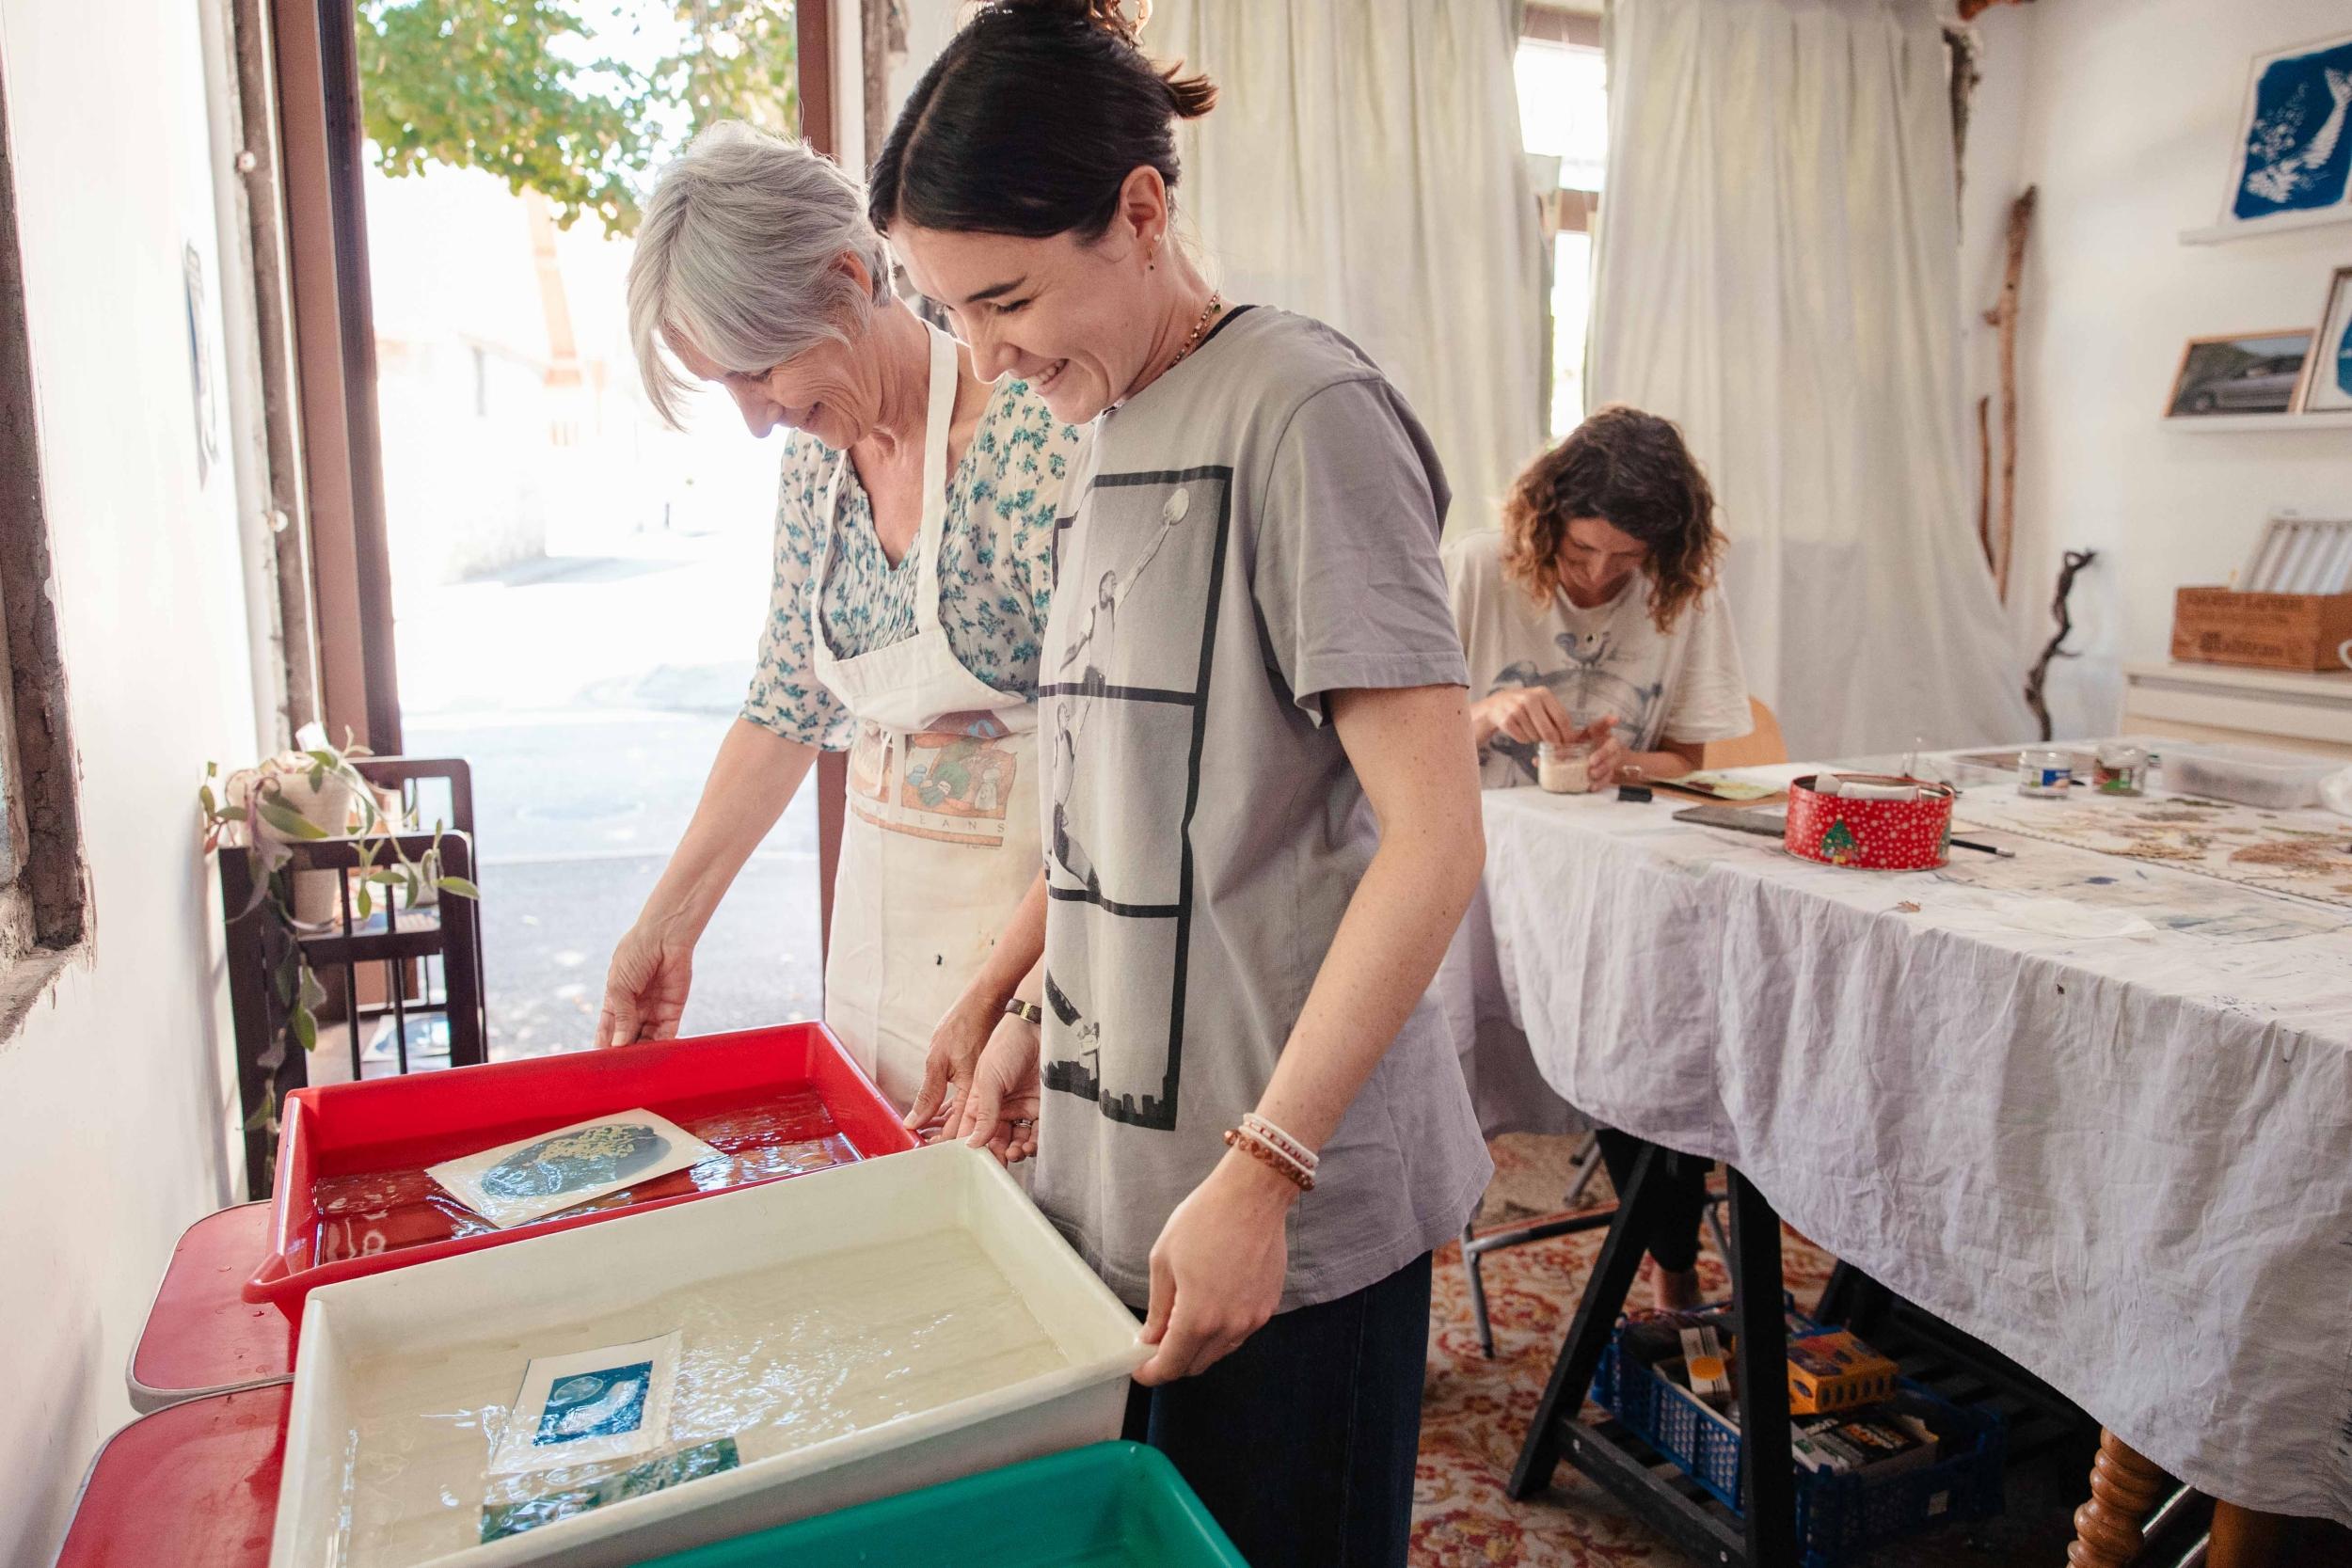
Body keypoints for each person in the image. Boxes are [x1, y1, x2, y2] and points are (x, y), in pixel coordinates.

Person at [866, 5, 1492, 1562]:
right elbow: (1118, 791)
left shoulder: (1305, 412)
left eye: (1006, 301)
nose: (994, 364)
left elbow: (1433, 837)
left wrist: (1266, 1172)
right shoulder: (1114, 418)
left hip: (1281, 1206)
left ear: (1143, 210)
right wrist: (1021, 1005)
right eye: (955, 320)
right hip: (1124, 1174)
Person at [596, 121, 1084, 1122]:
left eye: (758, 370)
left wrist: (1021, 1005)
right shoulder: (816, 466)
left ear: (852, 275)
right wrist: (668, 922)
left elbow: (1121, 779)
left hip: (1041, 988)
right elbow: (784, 708)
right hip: (880, 979)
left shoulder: (1038, 442)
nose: (754, 417)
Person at [1444, 404, 1754, 1308]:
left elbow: (1688, 761)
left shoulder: (1684, 589)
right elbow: (1389, 744)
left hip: (1606, 878)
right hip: (1473, 871)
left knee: (1654, 1048)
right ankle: (1405, 1295)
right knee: (1431, 1066)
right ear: (1546, 522)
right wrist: (1488, 716)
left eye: (1626, 560)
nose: (1600, 575)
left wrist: (1632, 761)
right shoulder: (1475, 569)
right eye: (1582, 552)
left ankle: (1674, 1270)